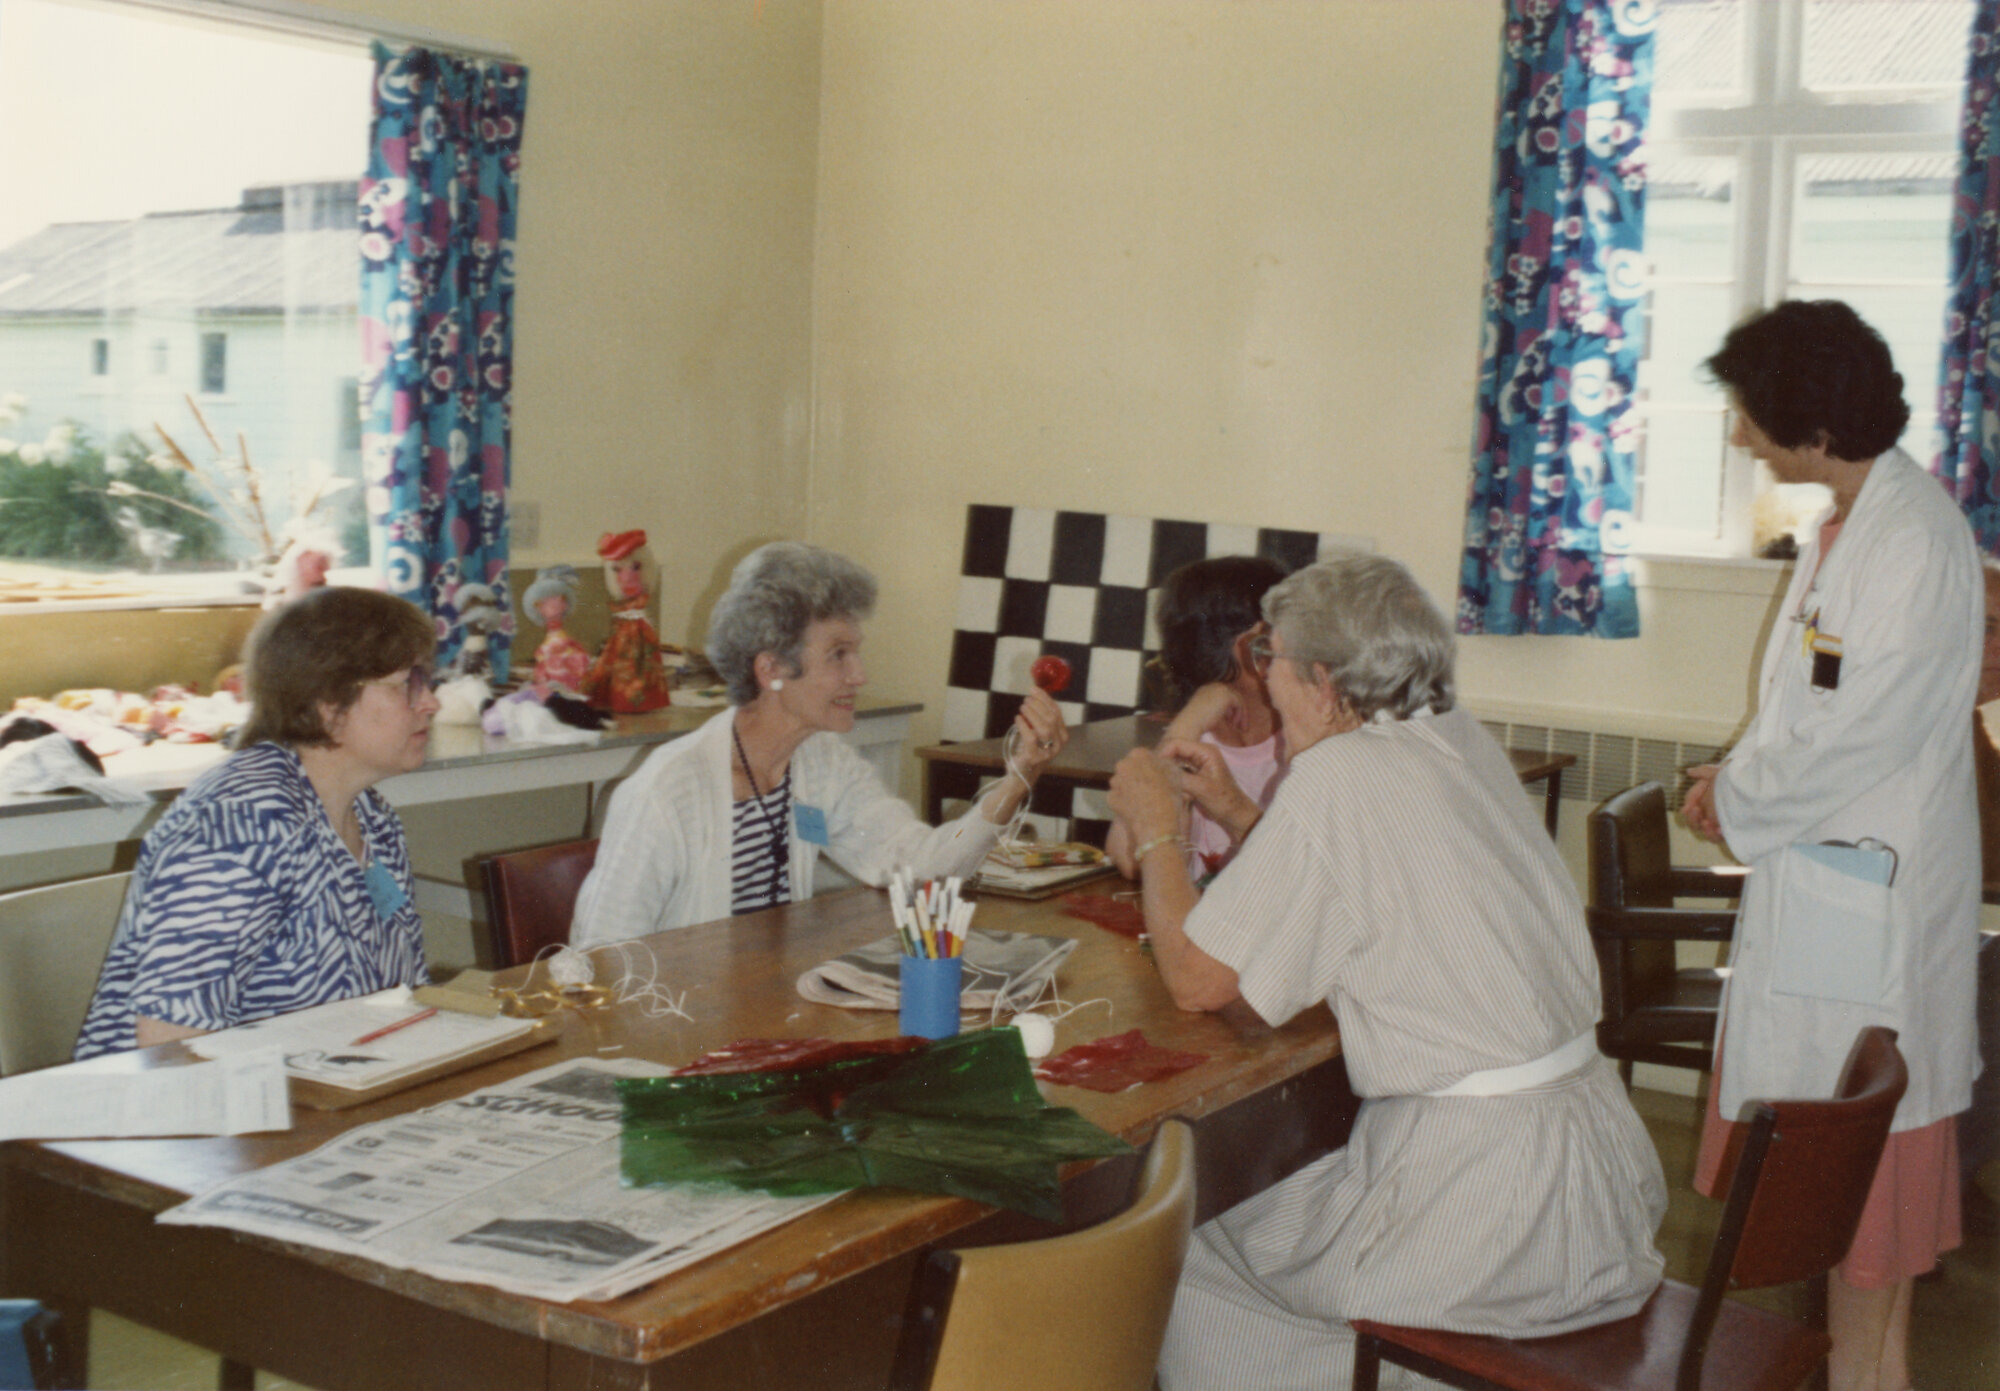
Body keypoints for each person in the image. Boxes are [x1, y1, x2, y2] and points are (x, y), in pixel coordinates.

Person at [1107, 554, 1665, 1391]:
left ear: (1324, 682)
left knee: (1185, 1237)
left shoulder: (1339, 774)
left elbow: (1198, 980)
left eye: (1275, 660)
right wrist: (1232, 810)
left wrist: (1157, 829)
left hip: (1484, 1215)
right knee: (1269, 1222)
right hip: (1591, 1177)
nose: (1267, 681)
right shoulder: (1454, 738)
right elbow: (1363, 886)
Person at [1682, 299, 1982, 1391]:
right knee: (1848, 1252)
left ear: (1809, 423)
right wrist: (1738, 774)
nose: (1736, 436)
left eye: (1748, 416)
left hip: (1869, 902)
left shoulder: (1911, 538)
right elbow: (1810, 701)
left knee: (1866, 1238)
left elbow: (1867, 728)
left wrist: (1740, 799)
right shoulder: (1852, 522)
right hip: (1832, 884)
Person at [572, 542, 1069, 942]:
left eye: (856, 652)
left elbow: (923, 870)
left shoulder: (821, 763)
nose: (860, 674)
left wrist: (1022, 773)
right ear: (771, 670)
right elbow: (599, 960)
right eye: (838, 655)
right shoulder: (666, 791)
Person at [74, 587, 438, 1058]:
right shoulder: (239, 826)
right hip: (193, 1110)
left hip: (334, 1085)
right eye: (405, 684)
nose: (430, 702)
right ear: (328, 702)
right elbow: (169, 1041)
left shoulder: (372, 817)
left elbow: (398, 999)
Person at [1107, 556, 1287, 886]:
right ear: (1252, 644)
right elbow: (1130, 859)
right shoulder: (1195, 737)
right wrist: (1185, 727)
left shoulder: (1300, 740)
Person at [584, 529, 673, 713]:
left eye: (636, 568)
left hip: (637, 644)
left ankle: (636, 699)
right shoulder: (623, 618)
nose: (626, 578)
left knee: (639, 660)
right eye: (618, 570)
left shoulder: (637, 621)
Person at [524, 563, 593, 695]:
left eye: (558, 599)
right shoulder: (549, 644)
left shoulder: (567, 645)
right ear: (538, 608)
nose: (552, 604)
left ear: (565, 604)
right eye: (543, 602)